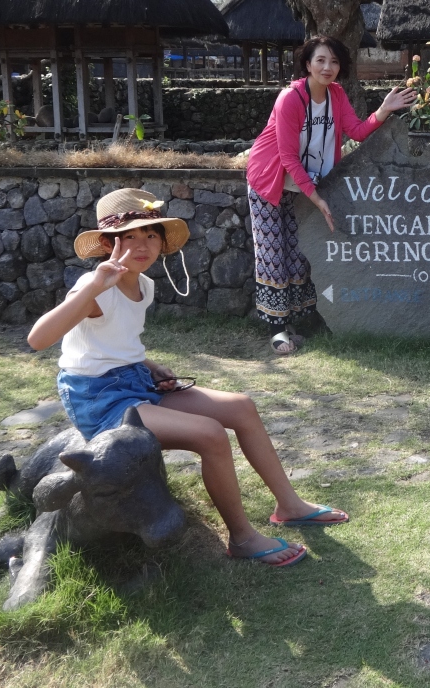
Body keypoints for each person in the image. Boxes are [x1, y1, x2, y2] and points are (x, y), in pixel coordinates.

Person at [28, 188, 349, 567]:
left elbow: (112, 343)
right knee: (210, 435)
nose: (142, 245)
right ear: (109, 243)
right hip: (99, 399)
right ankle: (243, 538)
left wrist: (148, 366)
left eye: (151, 234)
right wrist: (97, 285)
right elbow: (39, 339)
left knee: (241, 407)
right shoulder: (94, 287)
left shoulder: (144, 286)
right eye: (130, 236)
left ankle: (290, 505)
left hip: (133, 382)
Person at [246, 36, 415, 353]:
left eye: (335, 61)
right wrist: (318, 198)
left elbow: (357, 131)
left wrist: (384, 110)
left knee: (299, 252)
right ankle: (277, 329)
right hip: (269, 180)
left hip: (304, 183)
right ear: (307, 64)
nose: (328, 67)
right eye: (321, 60)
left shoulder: (336, 95)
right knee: (273, 252)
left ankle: (296, 319)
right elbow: (287, 157)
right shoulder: (290, 99)